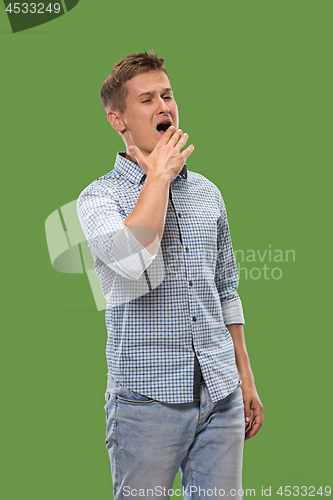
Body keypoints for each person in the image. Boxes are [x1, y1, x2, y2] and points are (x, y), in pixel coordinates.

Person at [77, 50, 263, 500]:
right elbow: (131, 259)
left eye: (168, 95)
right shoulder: (97, 199)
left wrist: (245, 378)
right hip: (146, 405)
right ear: (117, 120)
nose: (164, 106)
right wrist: (157, 177)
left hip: (220, 396)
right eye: (147, 100)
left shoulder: (207, 193)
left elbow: (226, 288)